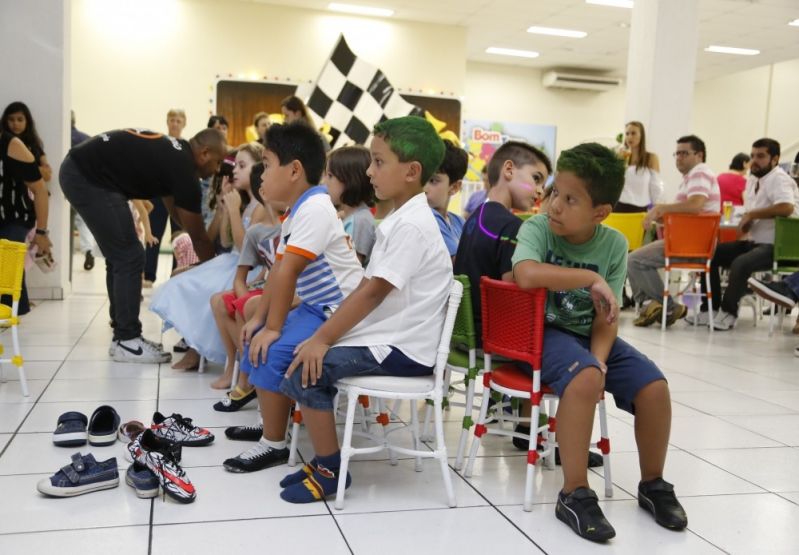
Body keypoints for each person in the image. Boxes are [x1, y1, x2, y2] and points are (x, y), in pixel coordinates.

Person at [512, 142, 687, 542]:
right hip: (541, 334)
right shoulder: (537, 228)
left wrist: (600, 358)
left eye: (570, 199)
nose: (555, 204)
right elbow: (525, 274)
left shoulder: (612, 244)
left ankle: (653, 484)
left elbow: (607, 317)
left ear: (600, 212)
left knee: (654, 387)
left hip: (588, 333)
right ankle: (574, 492)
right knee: (586, 377)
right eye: (555, 192)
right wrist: (588, 279)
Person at [274, 116, 450, 503]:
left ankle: (329, 470)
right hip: (393, 337)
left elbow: (371, 293)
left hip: (405, 349)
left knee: (309, 368)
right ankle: (325, 461)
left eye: (378, 161)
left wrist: (323, 338)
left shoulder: (412, 226)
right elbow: (369, 293)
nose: (369, 171)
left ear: (411, 171)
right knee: (307, 352)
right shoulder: (402, 218)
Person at [222, 122, 363, 473]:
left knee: (272, 348)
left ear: (295, 170)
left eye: (267, 164)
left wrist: (272, 327)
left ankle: (273, 443)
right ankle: (272, 425)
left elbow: (288, 273)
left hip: (337, 312)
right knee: (256, 338)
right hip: (318, 308)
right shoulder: (298, 211)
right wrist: (258, 320)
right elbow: (278, 270)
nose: (261, 176)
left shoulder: (315, 208)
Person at [59, 128, 225, 363]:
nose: (217, 169)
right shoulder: (184, 170)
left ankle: (122, 332)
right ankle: (127, 340)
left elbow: (178, 216)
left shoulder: (176, 153)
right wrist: (216, 274)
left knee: (120, 254)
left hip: (79, 168)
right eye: (218, 162)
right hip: (87, 176)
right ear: (205, 153)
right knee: (130, 255)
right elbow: (198, 237)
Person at [150, 142, 268, 370]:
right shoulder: (246, 204)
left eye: (242, 166)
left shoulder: (260, 207)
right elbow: (226, 241)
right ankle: (193, 345)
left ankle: (197, 350)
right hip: (231, 261)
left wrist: (234, 211)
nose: (234, 171)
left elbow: (248, 251)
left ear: (257, 169)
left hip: (245, 267)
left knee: (197, 286)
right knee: (182, 278)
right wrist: (225, 210)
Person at [453, 141, 551, 345]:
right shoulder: (511, 227)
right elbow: (514, 296)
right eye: (536, 179)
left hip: (460, 332)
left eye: (543, 185)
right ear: (508, 170)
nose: (541, 191)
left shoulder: (474, 216)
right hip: (492, 338)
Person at [697, 138, 799, 330]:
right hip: (754, 242)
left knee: (740, 263)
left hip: (778, 246)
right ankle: (709, 309)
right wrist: (746, 222)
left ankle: (729, 313)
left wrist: (752, 214)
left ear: (775, 159)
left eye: (761, 156)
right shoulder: (752, 180)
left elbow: (786, 207)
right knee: (710, 254)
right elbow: (755, 214)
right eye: (752, 156)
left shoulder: (780, 178)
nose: (754, 160)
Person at [627, 135, 720, 327]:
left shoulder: (699, 172)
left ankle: (663, 305)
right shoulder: (691, 177)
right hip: (689, 241)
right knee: (635, 258)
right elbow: (689, 212)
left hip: (691, 245)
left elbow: (695, 205)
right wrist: (660, 217)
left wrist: (661, 209)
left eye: (684, 153)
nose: (679, 157)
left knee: (634, 259)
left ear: (699, 155)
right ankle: (653, 305)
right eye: (677, 153)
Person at [210, 162, 282, 394]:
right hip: (261, 288)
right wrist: (243, 298)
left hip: (278, 292)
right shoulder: (257, 231)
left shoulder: (294, 225)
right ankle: (237, 363)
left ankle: (245, 379)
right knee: (220, 300)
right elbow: (240, 276)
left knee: (247, 305)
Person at [0, 132, 51, 315]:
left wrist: (42, 232)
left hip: (13, 218)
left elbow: (40, 190)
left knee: (7, 256)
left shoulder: (12, 146)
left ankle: (11, 311)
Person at [144, 109, 187, 287]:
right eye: (172, 120)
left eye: (178, 120)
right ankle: (148, 275)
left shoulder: (187, 147)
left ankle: (177, 274)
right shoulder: (158, 143)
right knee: (153, 234)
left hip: (179, 199)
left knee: (179, 237)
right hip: (158, 197)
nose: (175, 123)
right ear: (167, 122)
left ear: (184, 123)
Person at [324, 145, 376, 266]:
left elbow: (350, 269)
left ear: (350, 181)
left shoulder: (361, 221)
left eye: (330, 176)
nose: (324, 182)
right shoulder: (349, 216)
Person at [425, 139, 468, 258]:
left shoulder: (460, 222)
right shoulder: (427, 217)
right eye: (422, 179)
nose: (424, 188)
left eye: (433, 181)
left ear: (454, 187)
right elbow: (460, 263)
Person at [615, 121, 662, 213]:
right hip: (618, 206)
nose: (629, 137)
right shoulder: (621, 156)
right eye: (627, 134)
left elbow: (655, 186)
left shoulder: (650, 158)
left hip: (640, 208)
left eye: (633, 133)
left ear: (641, 135)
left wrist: (657, 208)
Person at [70, 110, 96, 270]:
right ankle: (88, 250)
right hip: (86, 186)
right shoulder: (87, 139)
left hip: (64, 183)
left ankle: (64, 256)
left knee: (62, 221)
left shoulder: (59, 138)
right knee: (82, 220)